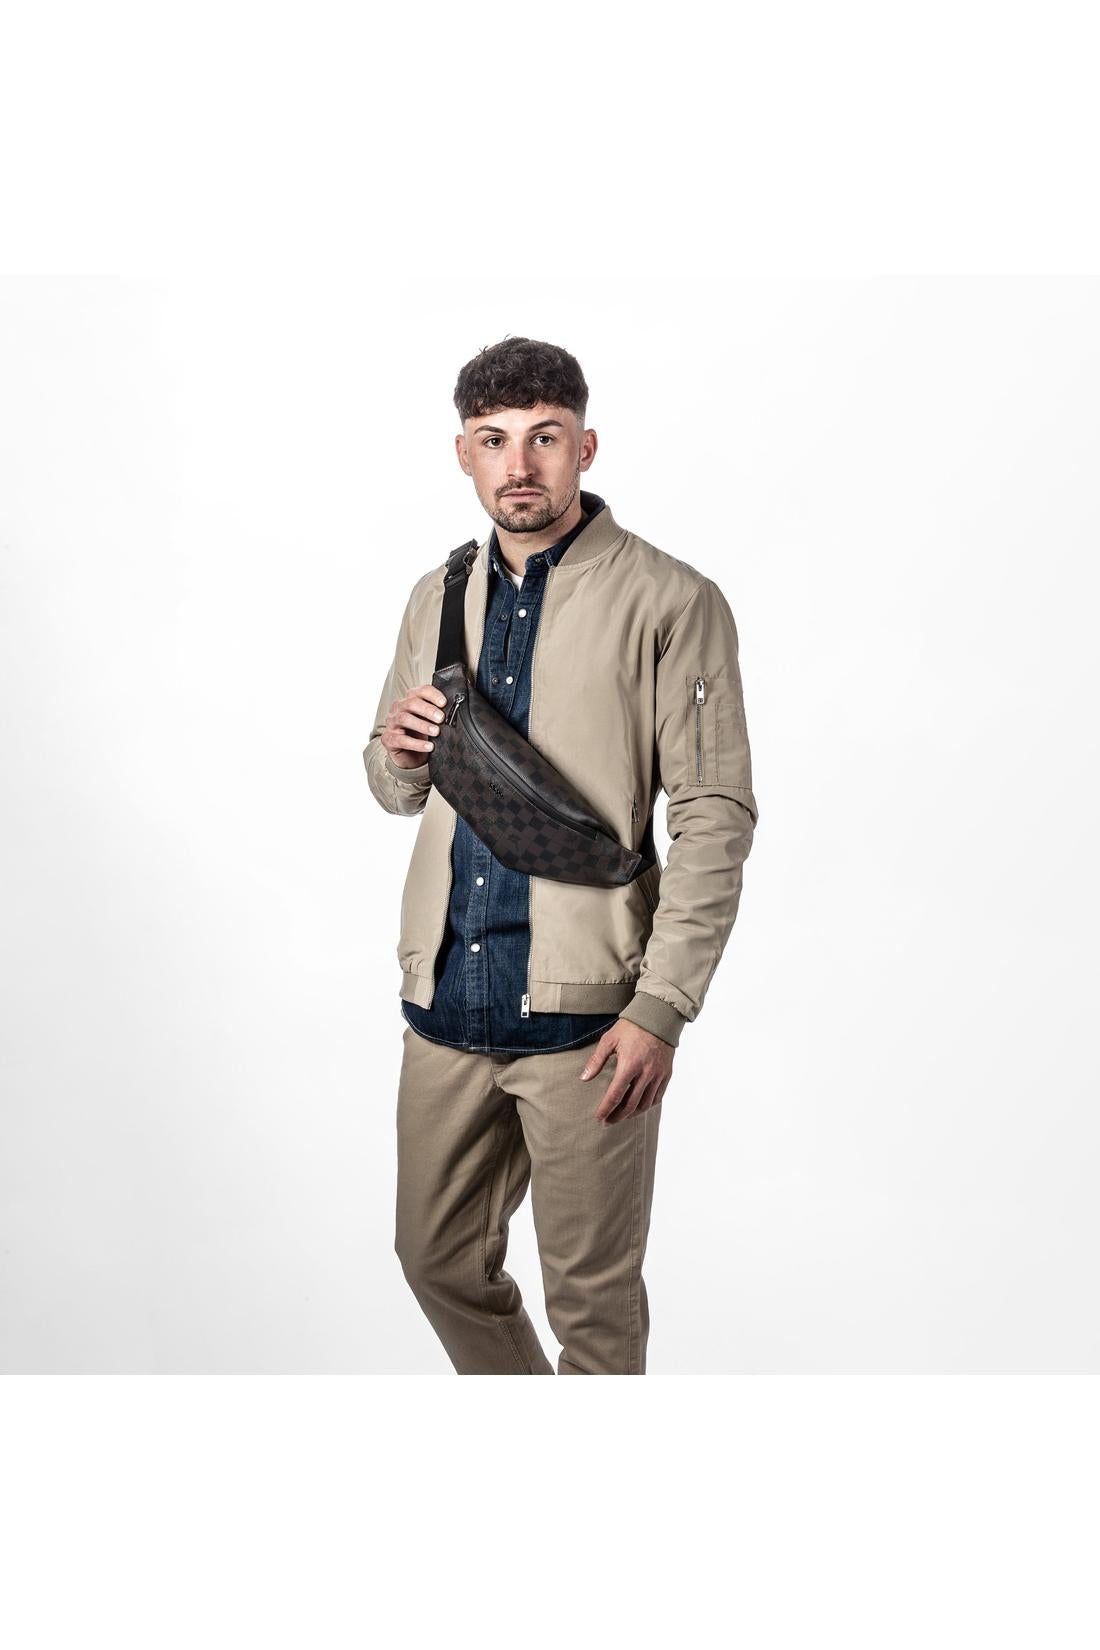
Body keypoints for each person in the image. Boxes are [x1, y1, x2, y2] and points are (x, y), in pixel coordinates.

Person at [362, 336, 759, 1374]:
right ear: (464, 455)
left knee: (592, 1304)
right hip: (448, 1001)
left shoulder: (671, 599)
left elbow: (714, 813)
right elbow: (394, 785)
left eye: (544, 437)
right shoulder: (435, 595)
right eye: (494, 440)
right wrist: (397, 753)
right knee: (434, 1259)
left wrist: (660, 1007)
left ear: (585, 447)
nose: (520, 464)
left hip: (588, 1019)